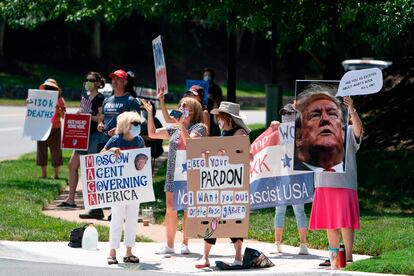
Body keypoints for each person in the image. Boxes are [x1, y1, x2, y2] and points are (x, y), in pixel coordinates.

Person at [142, 97, 207, 255]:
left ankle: (185, 243)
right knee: (170, 209)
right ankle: (169, 245)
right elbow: (152, 133)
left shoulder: (200, 127)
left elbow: (191, 143)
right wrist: (150, 113)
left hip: (191, 173)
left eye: (186, 106)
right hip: (173, 173)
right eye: (180, 105)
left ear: (193, 111)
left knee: (187, 209)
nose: (182, 108)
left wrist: (180, 125)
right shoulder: (174, 129)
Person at [79, 69, 141, 220]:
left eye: (118, 79)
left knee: (119, 179)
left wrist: (121, 131)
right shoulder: (108, 100)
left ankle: (118, 212)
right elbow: (103, 118)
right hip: (104, 142)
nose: (114, 81)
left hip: (122, 144)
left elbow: (137, 124)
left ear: (125, 82)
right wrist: (101, 124)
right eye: (113, 79)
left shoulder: (131, 101)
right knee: (101, 177)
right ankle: (96, 209)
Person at [195, 101, 250, 268]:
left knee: (233, 217)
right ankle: (205, 257)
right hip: (219, 182)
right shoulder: (223, 133)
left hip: (233, 183)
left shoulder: (239, 133)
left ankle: (238, 257)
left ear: (228, 117)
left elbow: (245, 155)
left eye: (220, 116)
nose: (217, 119)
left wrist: (228, 152)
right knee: (213, 217)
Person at [309, 95, 363, 266]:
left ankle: (347, 256)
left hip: (344, 183)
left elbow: (358, 130)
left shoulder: (347, 132)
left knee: (345, 221)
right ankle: (333, 257)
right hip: (324, 182)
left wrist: (352, 110)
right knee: (330, 221)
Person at [101, 111, 145, 265]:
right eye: (135, 124)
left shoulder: (139, 141)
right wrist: (110, 151)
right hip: (118, 187)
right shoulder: (115, 139)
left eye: (139, 124)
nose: (138, 127)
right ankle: (112, 252)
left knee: (132, 219)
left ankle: (129, 251)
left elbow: (143, 159)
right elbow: (100, 156)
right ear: (126, 125)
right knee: (117, 218)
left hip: (134, 185)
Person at [58, 72, 106, 208]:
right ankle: (70, 200)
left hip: (94, 136)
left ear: (97, 83)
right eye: (86, 80)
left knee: (90, 169)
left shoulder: (100, 98)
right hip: (82, 136)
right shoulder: (85, 96)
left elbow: (101, 117)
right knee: (72, 165)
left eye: (90, 80)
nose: (87, 83)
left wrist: (89, 116)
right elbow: (82, 111)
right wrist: (77, 114)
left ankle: (93, 203)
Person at [269, 103, 309, 255]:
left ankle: (303, 244)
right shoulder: (280, 131)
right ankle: (277, 242)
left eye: (289, 113)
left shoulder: (302, 131)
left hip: (297, 174)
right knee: (279, 210)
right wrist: (274, 128)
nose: (286, 116)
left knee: (299, 210)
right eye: (284, 113)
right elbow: (272, 145)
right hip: (282, 173)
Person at [294, 85, 346, 172]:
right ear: (299, 137)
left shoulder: (356, 173)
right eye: (315, 115)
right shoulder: (286, 177)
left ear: (343, 133)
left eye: (332, 114)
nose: (325, 119)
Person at [36, 79, 66, 179]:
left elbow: (64, 116)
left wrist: (59, 109)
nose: (49, 90)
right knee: (41, 151)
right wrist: (30, 102)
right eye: (48, 88)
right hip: (41, 128)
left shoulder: (60, 100)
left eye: (52, 88)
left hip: (55, 129)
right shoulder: (39, 98)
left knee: (56, 151)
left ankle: (56, 175)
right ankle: (43, 174)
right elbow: (33, 111)